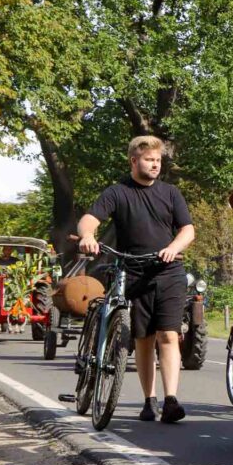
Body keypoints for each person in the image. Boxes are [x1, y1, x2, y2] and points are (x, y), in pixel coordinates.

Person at [77, 135, 195, 423]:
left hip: (169, 270)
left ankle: (171, 400)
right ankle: (149, 400)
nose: (155, 165)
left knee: (169, 334)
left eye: (158, 160)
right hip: (134, 272)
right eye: (149, 160)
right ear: (133, 160)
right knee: (144, 337)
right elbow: (89, 219)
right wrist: (88, 236)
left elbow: (188, 230)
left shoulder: (170, 193)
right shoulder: (117, 193)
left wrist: (173, 248)